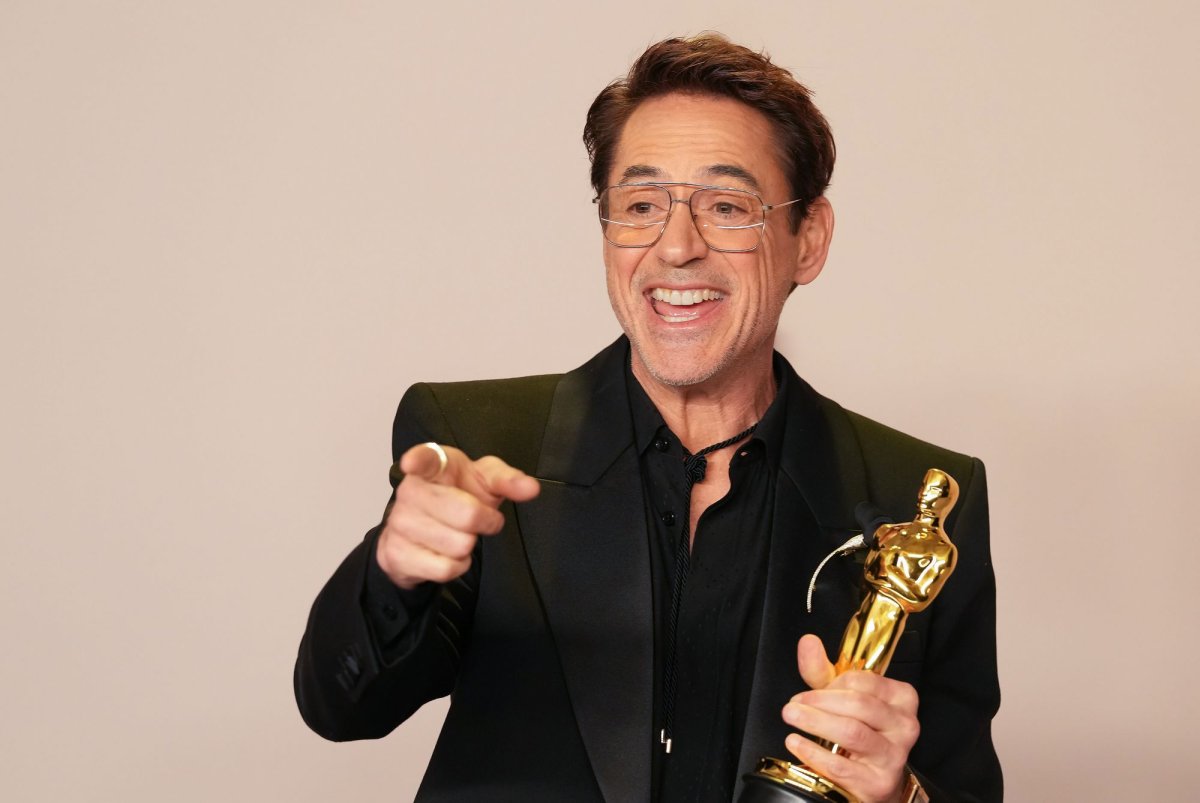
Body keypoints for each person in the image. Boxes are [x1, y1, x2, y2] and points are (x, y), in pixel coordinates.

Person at [295, 33, 1001, 803]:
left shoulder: (919, 496)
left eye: (727, 207)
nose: (677, 248)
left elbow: (963, 787)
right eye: (640, 206)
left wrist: (900, 794)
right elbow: (342, 708)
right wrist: (393, 572)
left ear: (809, 239)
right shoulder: (479, 442)